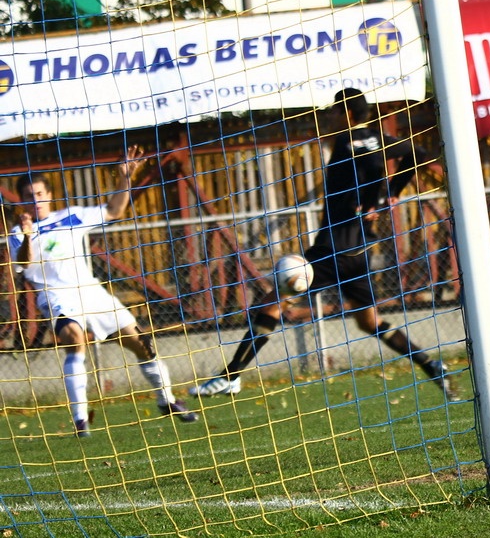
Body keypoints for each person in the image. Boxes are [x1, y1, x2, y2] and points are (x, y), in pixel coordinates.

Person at [191, 88, 458, 401]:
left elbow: (373, 167)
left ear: (346, 113)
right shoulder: (377, 136)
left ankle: (231, 376)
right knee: (369, 321)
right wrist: (390, 193)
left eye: (333, 110)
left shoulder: (348, 141)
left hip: (334, 248)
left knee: (271, 303)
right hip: (359, 250)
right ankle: (431, 366)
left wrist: (376, 198)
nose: (329, 116)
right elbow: (419, 153)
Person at [8, 145, 198, 438]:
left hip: (92, 293)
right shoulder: (19, 233)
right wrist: (29, 235)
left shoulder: (71, 216)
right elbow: (23, 263)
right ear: (21, 201)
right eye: (29, 197)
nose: (36, 201)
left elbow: (114, 210)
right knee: (74, 339)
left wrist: (125, 178)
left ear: (49, 196)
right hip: (57, 296)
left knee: (143, 344)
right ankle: (81, 419)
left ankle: (168, 400)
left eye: (40, 195)